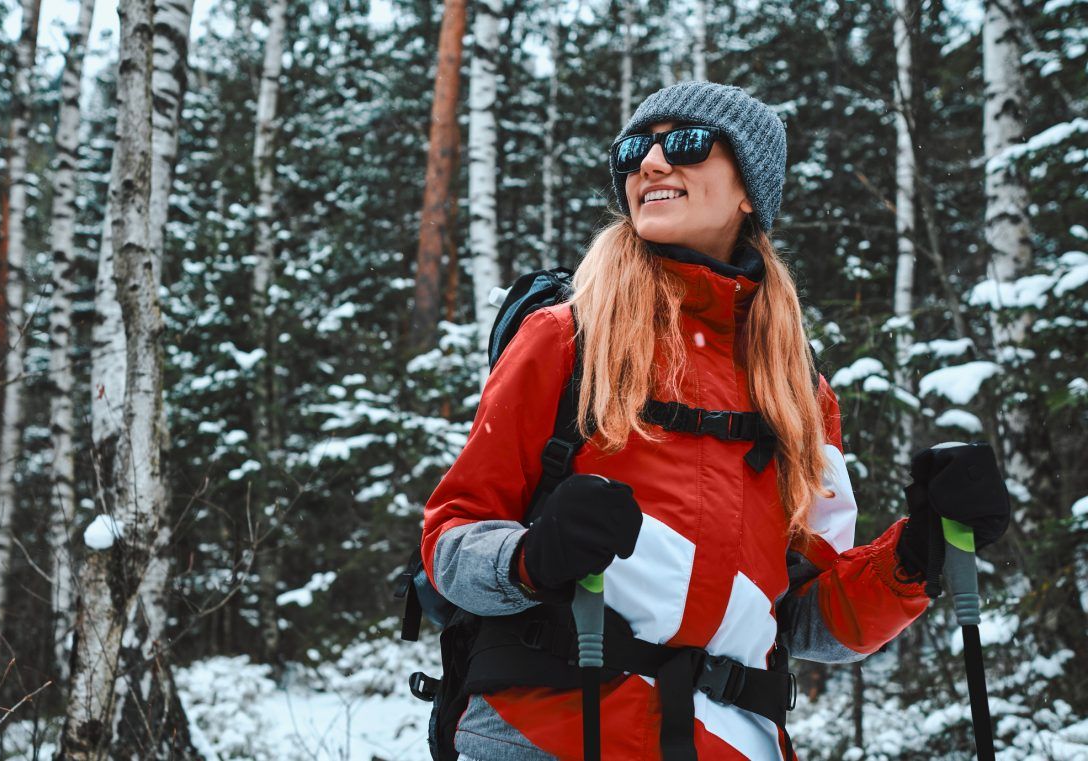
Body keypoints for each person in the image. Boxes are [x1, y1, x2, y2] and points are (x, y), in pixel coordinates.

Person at [420, 81, 1010, 760]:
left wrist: (921, 551)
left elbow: (807, 619)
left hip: (735, 741)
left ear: (749, 190)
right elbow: (449, 543)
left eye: (689, 144)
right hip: (554, 733)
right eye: (635, 150)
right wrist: (531, 557)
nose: (652, 163)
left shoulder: (797, 391)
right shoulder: (566, 339)